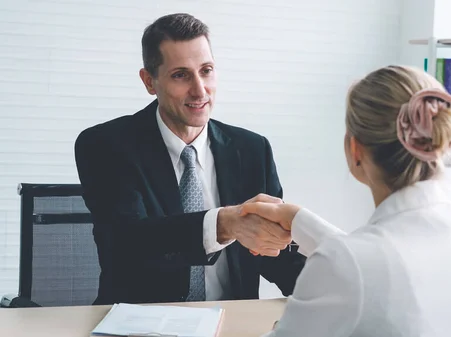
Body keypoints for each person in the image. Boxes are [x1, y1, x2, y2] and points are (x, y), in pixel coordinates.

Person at [242, 66, 451, 336]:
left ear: (354, 149)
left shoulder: (348, 264)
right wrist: (299, 220)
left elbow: (361, 266)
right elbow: (377, 261)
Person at [74, 13, 305, 305]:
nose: (199, 90)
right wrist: (223, 224)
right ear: (149, 81)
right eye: (180, 75)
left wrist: (340, 282)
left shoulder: (251, 149)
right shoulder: (106, 145)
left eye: (206, 70)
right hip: (139, 323)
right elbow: (127, 243)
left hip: (231, 323)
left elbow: (273, 255)